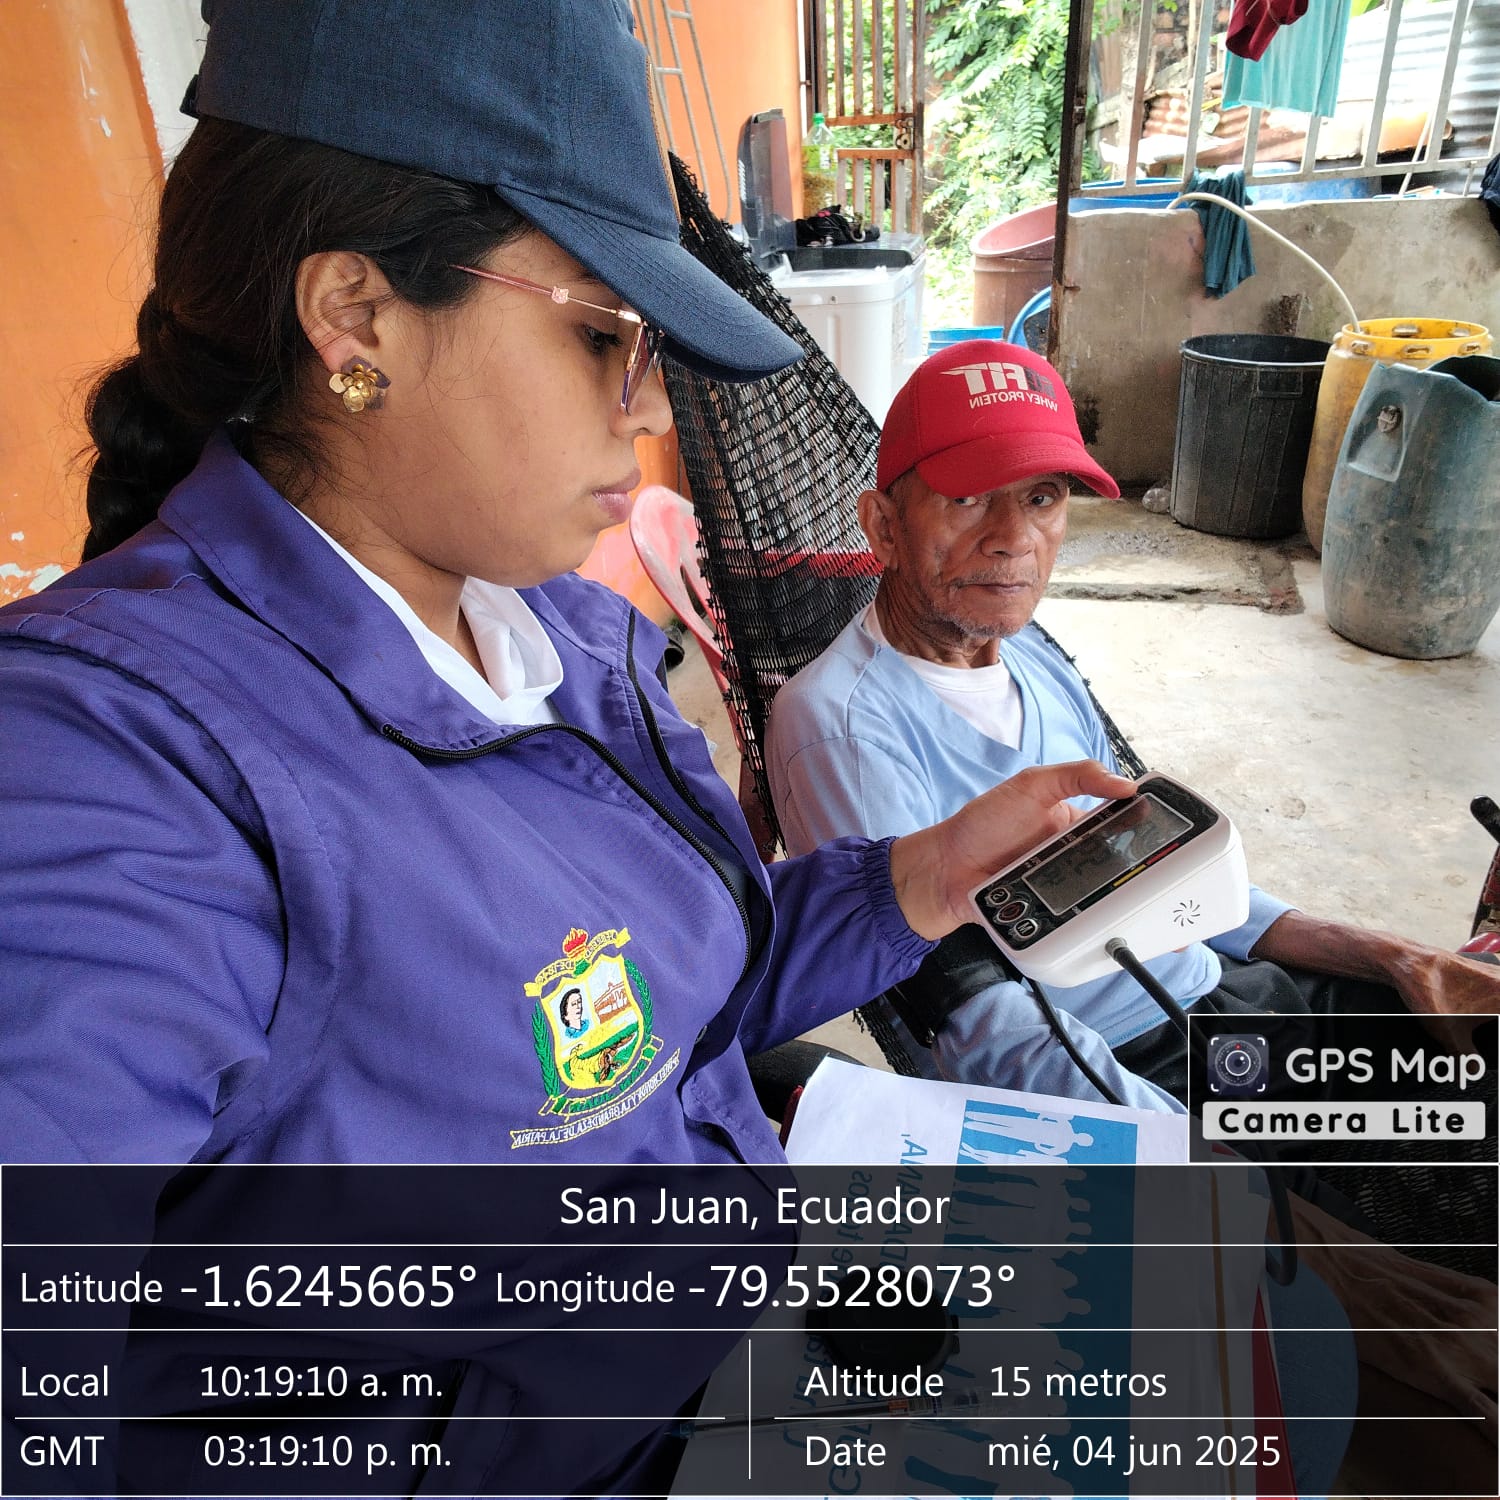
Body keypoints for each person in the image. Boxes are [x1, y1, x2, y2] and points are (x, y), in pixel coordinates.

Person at [0, 8, 1134, 1495]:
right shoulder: (108, 765)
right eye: (601, 331)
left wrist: (913, 880)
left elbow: (635, 1020)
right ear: (355, 319)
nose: (648, 403)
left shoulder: (550, 632)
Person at [766, 338, 1500, 1106]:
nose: (1014, 537)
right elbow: (985, 1034)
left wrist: (1396, 957)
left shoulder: (1031, 655)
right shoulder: (842, 731)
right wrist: (1190, 1159)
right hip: (1131, 1064)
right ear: (883, 526)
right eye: (968, 497)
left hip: (1222, 990)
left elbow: (1153, 870)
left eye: (1042, 497)